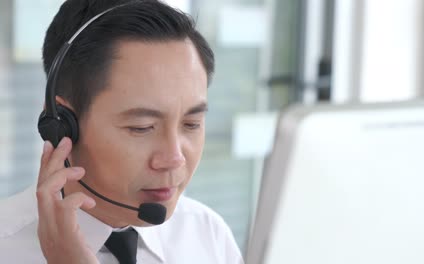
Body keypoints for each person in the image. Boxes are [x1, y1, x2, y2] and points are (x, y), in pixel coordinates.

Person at [0, 0, 244, 263]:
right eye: (142, 128)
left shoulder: (208, 234)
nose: (175, 159)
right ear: (60, 124)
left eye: (191, 124)